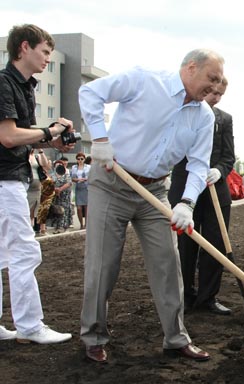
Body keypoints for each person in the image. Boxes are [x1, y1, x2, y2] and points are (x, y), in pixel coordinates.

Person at [79, 48, 224, 362]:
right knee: (103, 265)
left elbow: (199, 165)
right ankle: (93, 336)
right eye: (210, 79)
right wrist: (100, 139)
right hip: (112, 182)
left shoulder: (203, 116)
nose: (214, 89)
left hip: (156, 191)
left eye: (218, 82)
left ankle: (175, 338)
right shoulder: (144, 80)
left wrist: (186, 203)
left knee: (168, 264)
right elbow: (90, 92)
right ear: (191, 67)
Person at [0, 24, 74, 343]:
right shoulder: (4, 84)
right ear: (24, 47)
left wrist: (51, 142)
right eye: (45, 51)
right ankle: (30, 327)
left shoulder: (26, 87)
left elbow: (21, 137)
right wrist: (49, 130)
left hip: (10, 176)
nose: (47, 58)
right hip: (5, 179)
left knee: (4, 253)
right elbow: (7, 136)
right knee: (25, 251)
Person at [168, 76, 234, 315]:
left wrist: (220, 170)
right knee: (185, 245)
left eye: (219, 94)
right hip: (185, 188)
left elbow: (229, 156)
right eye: (212, 92)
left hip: (216, 192)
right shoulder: (182, 113)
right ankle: (185, 296)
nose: (215, 98)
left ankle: (208, 297)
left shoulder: (225, 119)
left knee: (215, 244)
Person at [50, 160, 73, 233]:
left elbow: (69, 183)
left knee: (64, 210)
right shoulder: (52, 174)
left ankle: (64, 226)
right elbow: (49, 183)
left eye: (60, 164)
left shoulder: (66, 174)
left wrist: (60, 189)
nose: (58, 165)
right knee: (56, 210)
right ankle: (57, 227)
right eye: (56, 164)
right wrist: (55, 189)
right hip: (55, 196)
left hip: (64, 195)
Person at [71, 152, 90, 229]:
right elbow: (72, 178)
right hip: (78, 187)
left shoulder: (88, 167)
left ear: (84, 159)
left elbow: (91, 176)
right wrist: (78, 179)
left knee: (86, 207)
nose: (80, 160)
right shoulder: (74, 167)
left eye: (82, 159)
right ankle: (81, 224)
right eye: (78, 159)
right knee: (79, 207)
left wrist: (86, 179)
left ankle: (86, 224)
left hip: (86, 187)